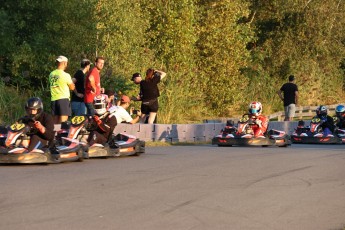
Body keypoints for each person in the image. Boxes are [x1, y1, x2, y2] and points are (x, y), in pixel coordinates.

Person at [49, 55, 75, 124]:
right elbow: (72, 87)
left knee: (56, 121)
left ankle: (56, 133)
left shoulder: (51, 74)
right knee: (63, 121)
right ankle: (62, 134)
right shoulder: (66, 75)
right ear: (64, 63)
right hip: (63, 99)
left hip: (54, 99)